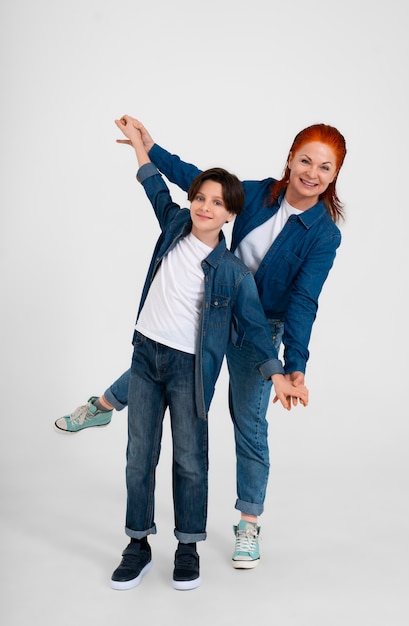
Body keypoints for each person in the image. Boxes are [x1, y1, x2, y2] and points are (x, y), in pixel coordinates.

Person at [56, 117, 346, 570]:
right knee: (166, 362)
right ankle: (104, 406)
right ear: (289, 160)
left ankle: (248, 522)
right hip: (213, 304)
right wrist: (150, 149)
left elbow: (305, 300)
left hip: (260, 328)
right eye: (305, 159)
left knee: (248, 423)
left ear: (334, 176)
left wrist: (294, 364)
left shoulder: (324, 234)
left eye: (324, 168)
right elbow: (197, 182)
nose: (311, 172)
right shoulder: (252, 192)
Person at [105, 115, 308, 592]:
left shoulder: (233, 272)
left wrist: (279, 374)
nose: (203, 206)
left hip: (190, 369)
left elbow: (257, 330)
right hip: (144, 355)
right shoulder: (175, 222)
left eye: (216, 203)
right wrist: (141, 145)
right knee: (139, 456)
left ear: (231, 214)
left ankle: (188, 546)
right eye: (199, 197)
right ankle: (137, 544)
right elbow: (154, 185)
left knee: (190, 461)